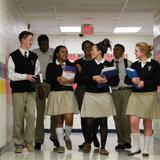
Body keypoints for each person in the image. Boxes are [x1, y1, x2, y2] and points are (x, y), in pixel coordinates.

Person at [77, 39, 119, 155]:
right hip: (90, 95)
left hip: (104, 96)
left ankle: (103, 148)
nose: (90, 51)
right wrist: (92, 78)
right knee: (89, 122)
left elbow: (116, 81)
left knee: (103, 122)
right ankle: (87, 142)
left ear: (99, 51)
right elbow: (80, 79)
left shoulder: (109, 64)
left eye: (93, 50)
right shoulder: (88, 64)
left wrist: (107, 80)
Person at [125, 42, 160, 157]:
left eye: (136, 51)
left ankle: (146, 149)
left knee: (147, 123)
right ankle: (136, 147)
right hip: (135, 95)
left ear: (143, 52)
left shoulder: (155, 64)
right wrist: (133, 81)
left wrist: (144, 83)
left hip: (149, 96)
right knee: (133, 121)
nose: (135, 53)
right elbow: (126, 79)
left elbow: (158, 80)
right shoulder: (134, 65)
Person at [8, 31, 40, 153]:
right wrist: (25, 76)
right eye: (30, 40)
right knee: (18, 118)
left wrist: (37, 82)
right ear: (22, 40)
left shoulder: (34, 57)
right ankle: (18, 143)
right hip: (18, 91)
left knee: (32, 116)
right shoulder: (13, 56)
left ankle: (29, 142)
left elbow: (37, 73)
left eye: (32, 40)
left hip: (31, 91)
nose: (32, 42)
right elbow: (11, 75)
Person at [45, 45, 79, 153]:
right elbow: (49, 78)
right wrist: (57, 78)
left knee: (69, 118)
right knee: (58, 119)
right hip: (55, 94)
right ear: (57, 54)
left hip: (68, 93)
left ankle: (67, 137)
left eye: (66, 52)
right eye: (62, 52)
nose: (65, 54)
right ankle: (61, 145)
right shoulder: (51, 66)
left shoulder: (71, 65)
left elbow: (77, 78)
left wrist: (70, 80)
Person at [33, 34, 59, 150]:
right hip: (40, 84)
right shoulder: (34, 53)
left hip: (52, 84)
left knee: (54, 112)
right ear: (38, 44)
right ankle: (38, 140)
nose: (45, 47)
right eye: (42, 45)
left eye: (47, 44)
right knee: (40, 114)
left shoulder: (53, 52)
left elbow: (57, 68)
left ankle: (54, 137)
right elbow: (32, 71)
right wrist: (38, 87)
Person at [74, 40, 100, 150]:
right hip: (81, 90)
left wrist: (84, 73)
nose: (88, 50)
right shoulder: (77, 62)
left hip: (95, 90)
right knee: (84, 116)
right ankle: (87, 141)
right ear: (82, 49)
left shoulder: (97, 61)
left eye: (90, 47)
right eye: (85, 47)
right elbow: (75, 79)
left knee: (96, 116)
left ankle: (93, 134)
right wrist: (79, 71)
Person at [111, 44, 132, 150]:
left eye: (117, 50)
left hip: (127, 91)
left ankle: (128, 140)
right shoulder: (110, 64)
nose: (115, 51)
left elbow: (133, 78)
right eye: (114, 49)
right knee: (117, 117)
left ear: (122, 52)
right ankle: (121, 142)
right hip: (114, 92)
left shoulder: (128, 63)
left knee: (125, 117)